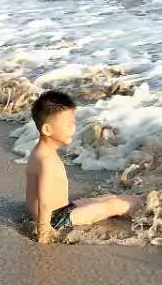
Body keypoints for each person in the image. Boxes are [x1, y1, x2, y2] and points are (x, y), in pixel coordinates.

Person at [25, 91, 138, 243]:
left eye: (73, 122)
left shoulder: (41, 151)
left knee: (108, 198)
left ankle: (143, 204)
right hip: (55, 219)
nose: (73, 128)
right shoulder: (46, 160)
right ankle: (151, 212)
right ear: (47, 130)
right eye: (68, 124)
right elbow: (44, 203)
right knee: (113, 205)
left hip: (60, 211)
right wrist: (44, 234)